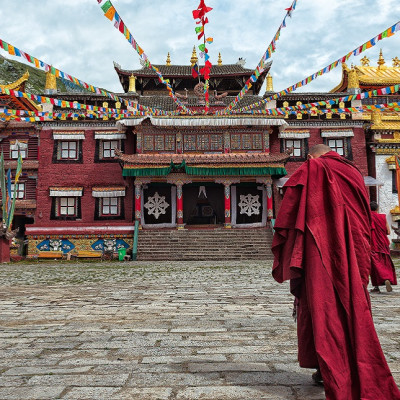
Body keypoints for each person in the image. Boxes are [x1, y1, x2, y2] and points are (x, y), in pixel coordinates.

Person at [272, 144, 400, 399]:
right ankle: (336, 365)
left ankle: (333, 370)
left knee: (324, 306)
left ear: (310, 157)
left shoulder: (314, 168)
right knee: (352, 303)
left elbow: (289, 200)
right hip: (354, 248)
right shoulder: (352, 171)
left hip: (323, 248)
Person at [369, 201, 397, 293]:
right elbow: (388, 232)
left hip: (373, 244)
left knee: (375, 265)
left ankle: (377, 285)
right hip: (384, 243)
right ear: (377, 209)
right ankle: (387, 278)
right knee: (385, 263)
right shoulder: (383, 217)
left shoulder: (368, 217)